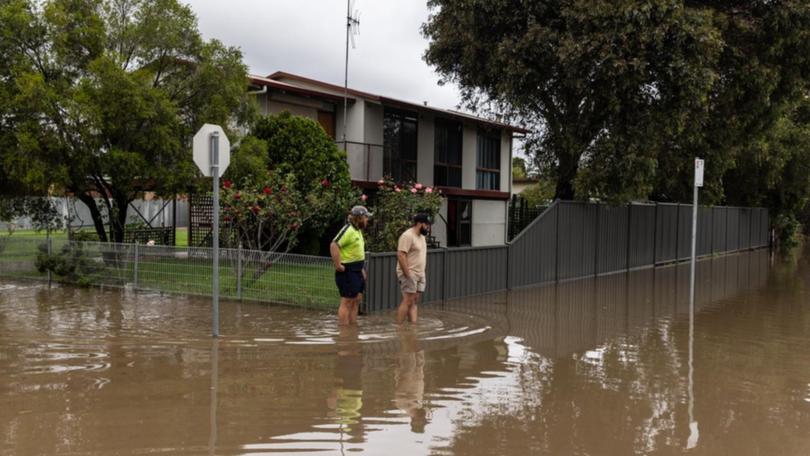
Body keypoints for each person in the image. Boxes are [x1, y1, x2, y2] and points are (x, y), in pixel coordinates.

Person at [331, 205, 371, 325]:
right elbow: (334, 245)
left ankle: (352, 329)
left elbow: (357, 253)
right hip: (347, 271)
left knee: (356, 300)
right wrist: (338, 265)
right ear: (359, 218)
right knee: (347, 301)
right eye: (366, 217)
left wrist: (361, 269)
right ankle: (344, 334)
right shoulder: (348, 230)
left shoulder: (357, 230)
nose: (367, 220)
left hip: (357, 270)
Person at [396, 213, 431, 324]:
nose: (428, 227)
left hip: (420, 273)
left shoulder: (422, 237)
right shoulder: (408, 235)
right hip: (409, 273)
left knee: (414, 301)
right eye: (426, 225)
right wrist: (407, 274)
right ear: (419, 224)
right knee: (407, 301)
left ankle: (413, 328)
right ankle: (399, 328)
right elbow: (401, 254)